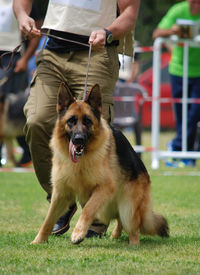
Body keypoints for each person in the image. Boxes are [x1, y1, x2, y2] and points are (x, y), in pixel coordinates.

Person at [13, 0, 141, 237]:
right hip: (52, 51)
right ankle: (61, 198)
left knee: (97, 131)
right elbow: (22, 3)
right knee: (37, 120)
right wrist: (23, 17)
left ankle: (96, 219)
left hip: (98, 50)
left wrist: (108, 31)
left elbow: (130, 13)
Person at [153, 0, 200, 167]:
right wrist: (171, 31)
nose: (195, 4)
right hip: (178, 70)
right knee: (181, 115)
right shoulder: (178, 10)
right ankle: (186, 155)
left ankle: (177, 146)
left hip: (199, 72)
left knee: (194, 113)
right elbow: (157, 33)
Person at [0, 0, 42, 167]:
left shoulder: (24, 2)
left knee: (17, 110)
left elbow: (37, 28)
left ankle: (26, 154)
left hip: (14, 57)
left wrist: (25, 59)